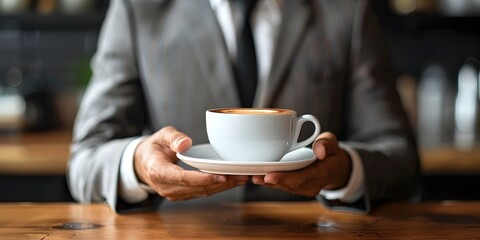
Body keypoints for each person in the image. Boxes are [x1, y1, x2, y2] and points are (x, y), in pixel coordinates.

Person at [68, 0, 420, 213]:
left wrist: (343, 171)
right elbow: (85, 159)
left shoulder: (348, 12)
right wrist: (139, 165)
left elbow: (400, 159)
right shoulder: (137, 10)